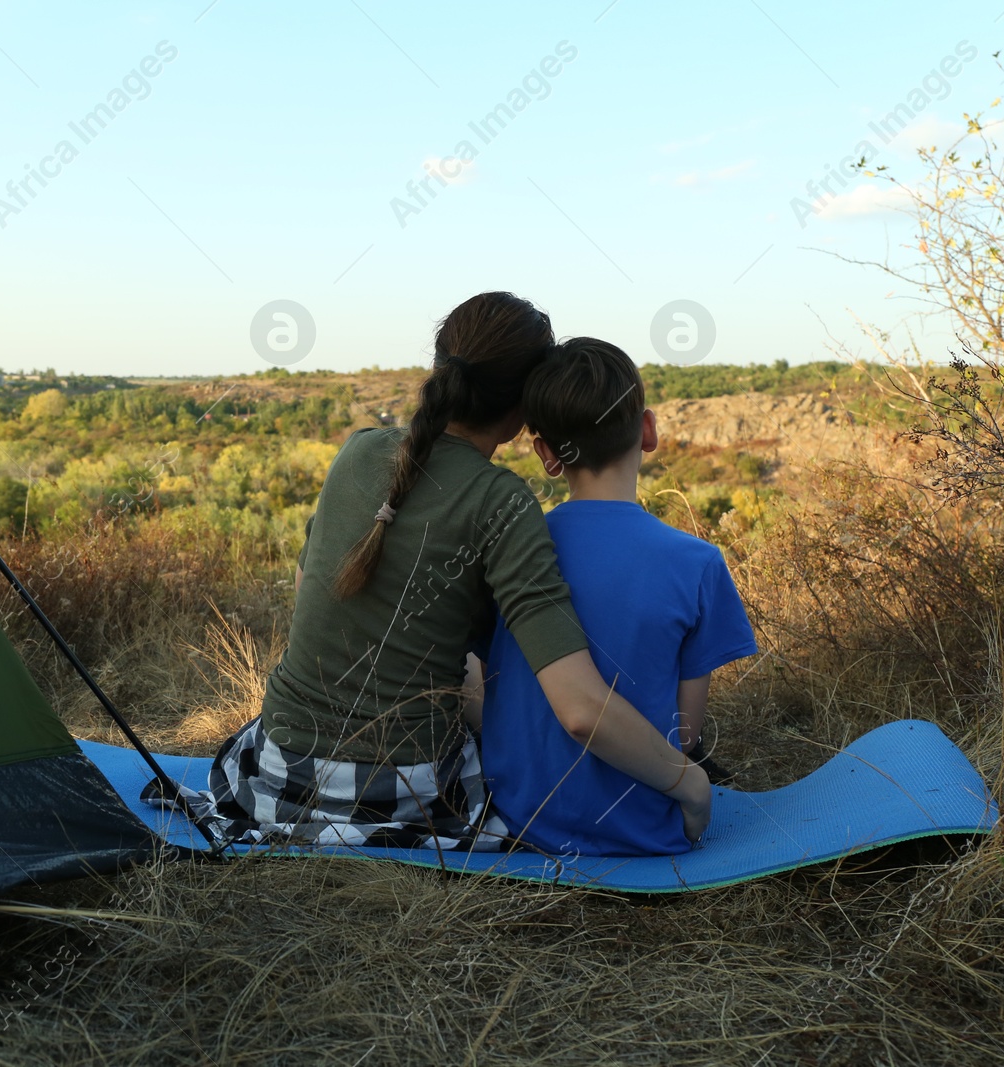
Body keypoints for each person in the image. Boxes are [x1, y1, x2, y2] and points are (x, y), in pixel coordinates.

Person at [187, 295, 712, 850]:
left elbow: (309, 597)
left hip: (273, 770)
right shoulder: (501, 501)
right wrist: (690, 782)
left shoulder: (359, 451)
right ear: (521, 412)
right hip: (402, 790)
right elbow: (580, 710)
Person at [474, 336, 758, 857]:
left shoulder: (512, 552)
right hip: (643, 831)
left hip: (518, 816)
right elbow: (686, 733)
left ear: (547, 455)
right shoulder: (696, 564)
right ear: (647, 431)